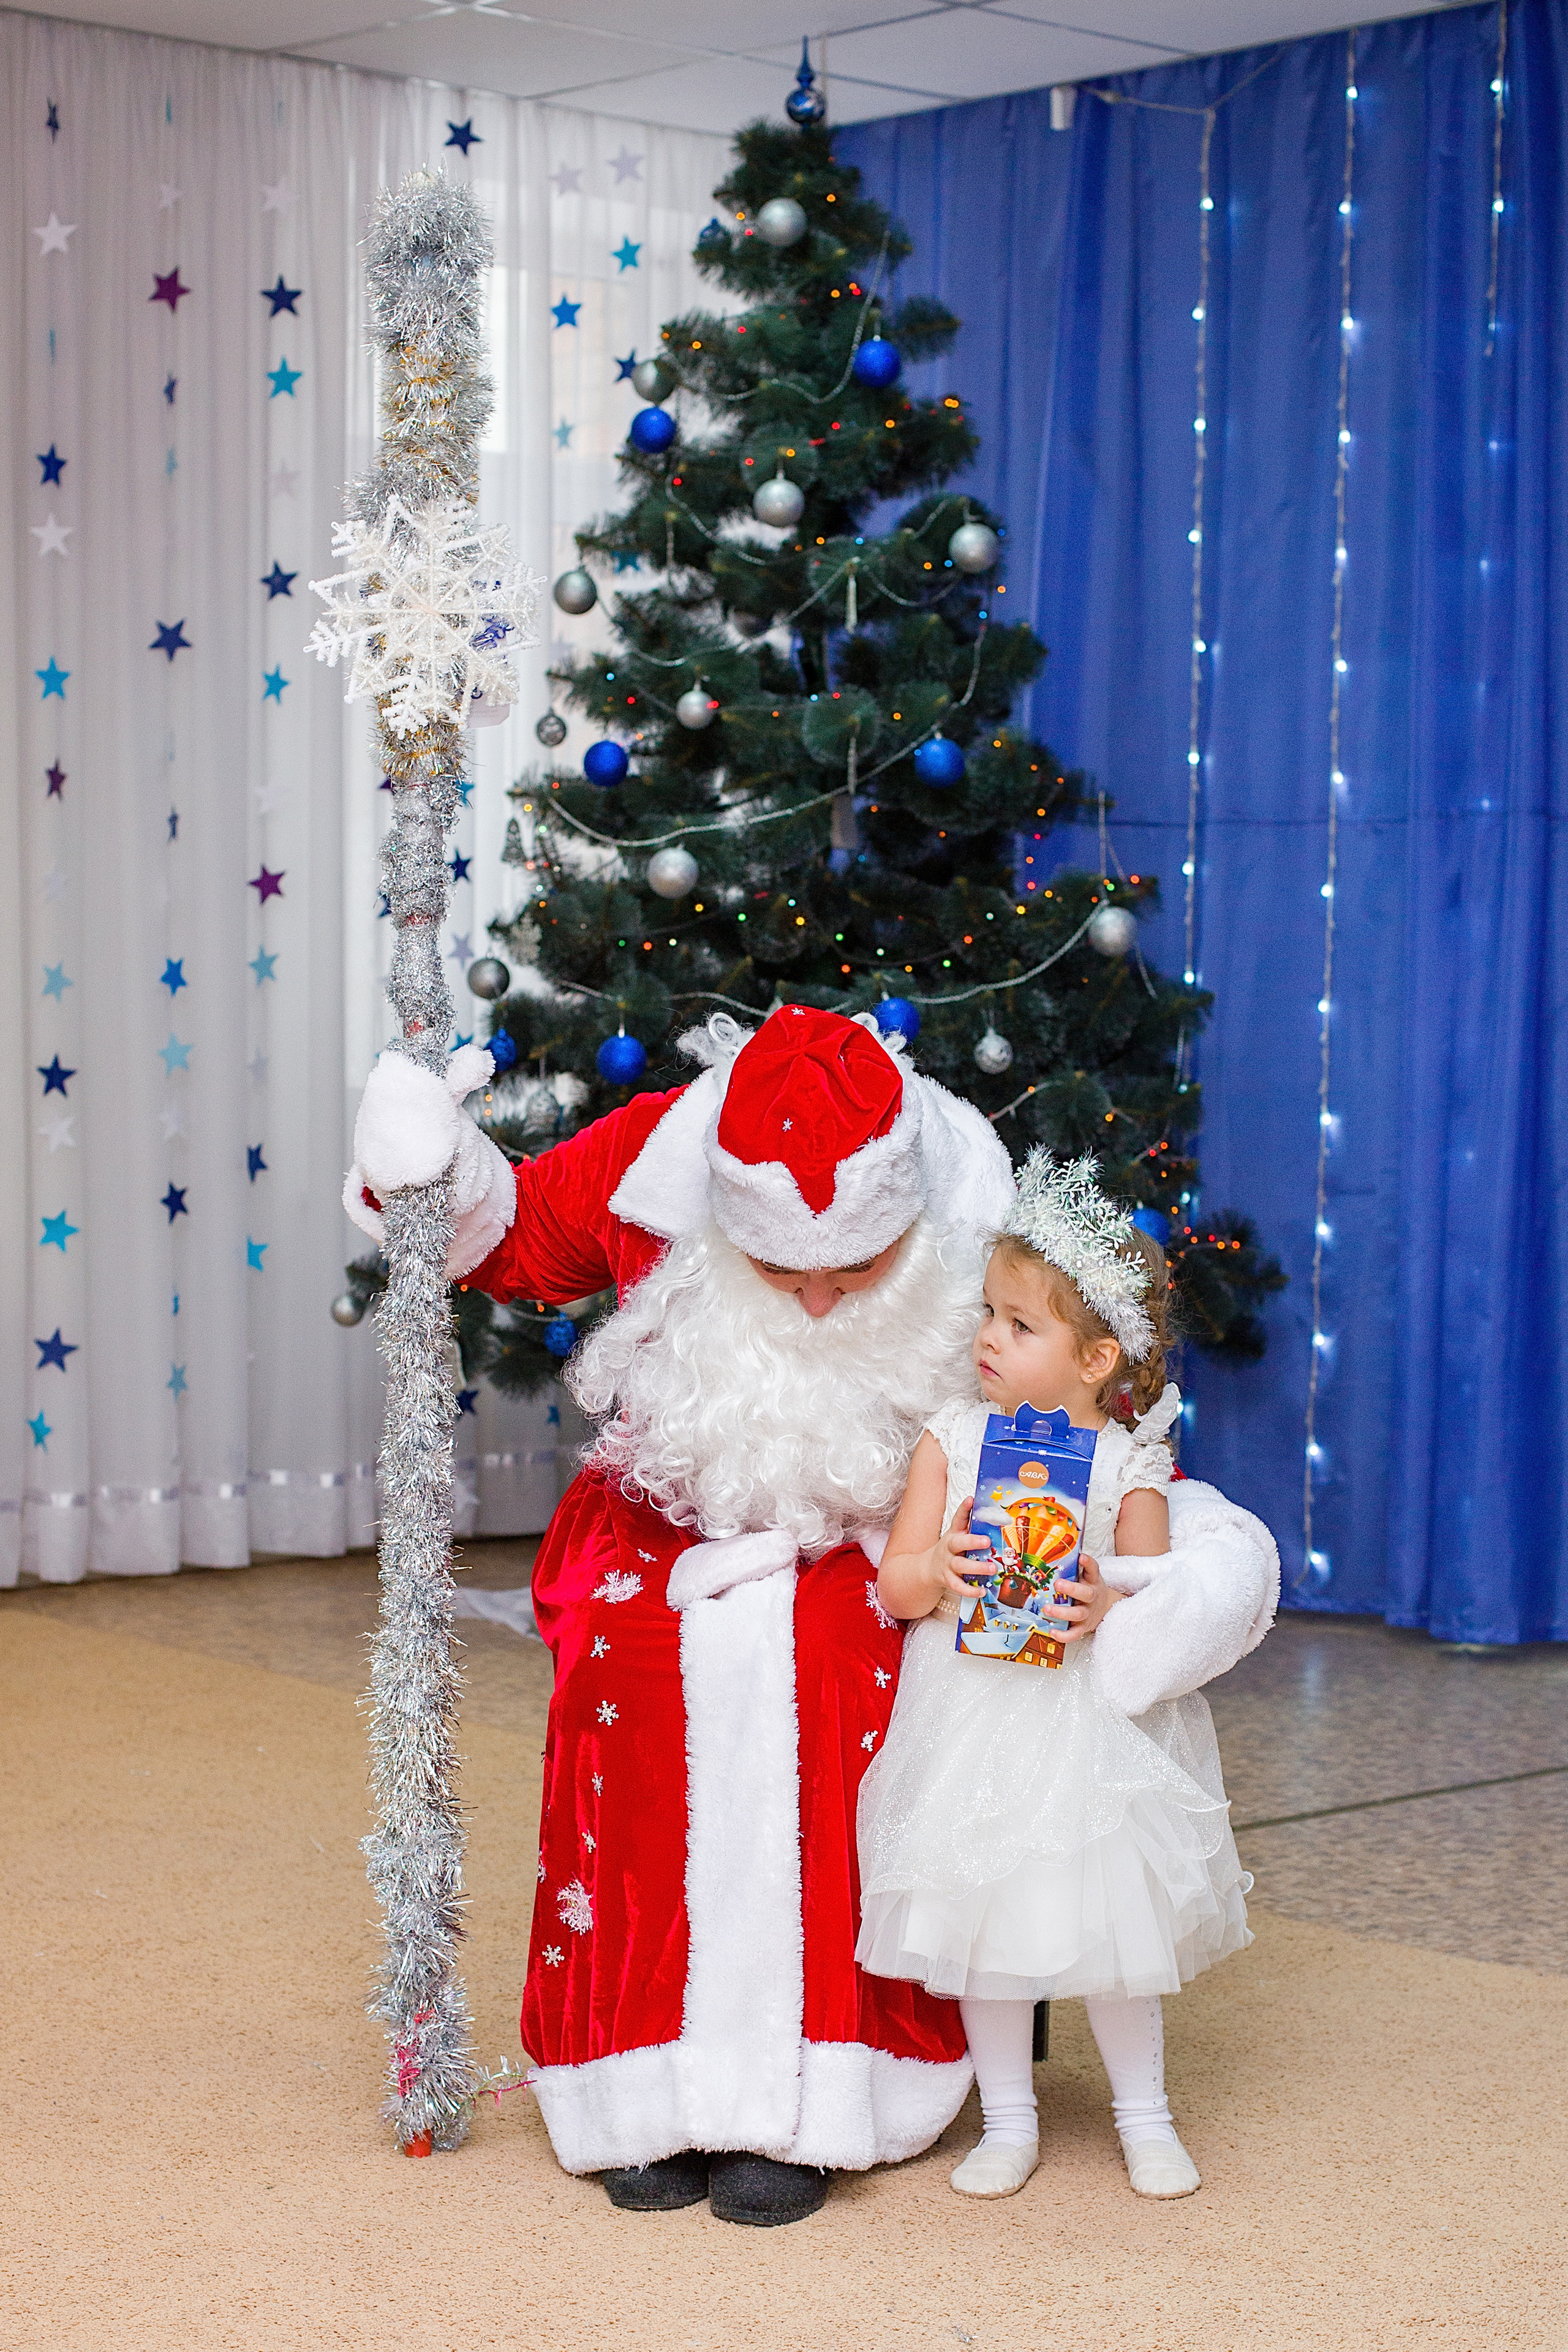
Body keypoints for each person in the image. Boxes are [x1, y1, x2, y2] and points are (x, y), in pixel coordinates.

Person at [345, 1005, 1020, 2225]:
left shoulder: (967, 1183)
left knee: (841, 1686)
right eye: (780, 1271)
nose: (817, 1302)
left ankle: (812, 2100)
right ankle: (639, 2084)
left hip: (881, 1528)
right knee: (636, 1685)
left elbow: (1075, 1373)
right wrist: (431, 1164)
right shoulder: (656, 1154)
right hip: (665, 1516)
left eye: (856, 1271)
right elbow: (513, 1238)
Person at [858, 1152, 1277, 2201]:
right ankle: (1008, 2123)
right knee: (985, 1924)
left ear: (1096, 1360)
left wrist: (1105, 1605)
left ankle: (1145, 2115)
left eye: (1019, 1324)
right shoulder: (952, 1441)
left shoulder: (1129, 1460)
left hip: (1082, 1720)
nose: (988, 1338)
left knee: (1114, 1923)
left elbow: (1146, 1590)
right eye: (989, 1314)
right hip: (968, 1714)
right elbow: (893, 1585)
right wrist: (939, 1566)